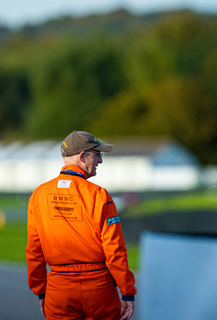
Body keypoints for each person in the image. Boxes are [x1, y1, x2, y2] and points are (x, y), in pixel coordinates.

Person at [26, 130, 136, 320]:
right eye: (98, 154)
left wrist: (41, 291)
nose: (100, 160)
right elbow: (115, 249)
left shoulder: (39, 195)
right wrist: (127, 291)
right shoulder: (99, 195)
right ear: (82, 156)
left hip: (58, 290)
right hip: (98, 288)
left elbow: (34, 251)